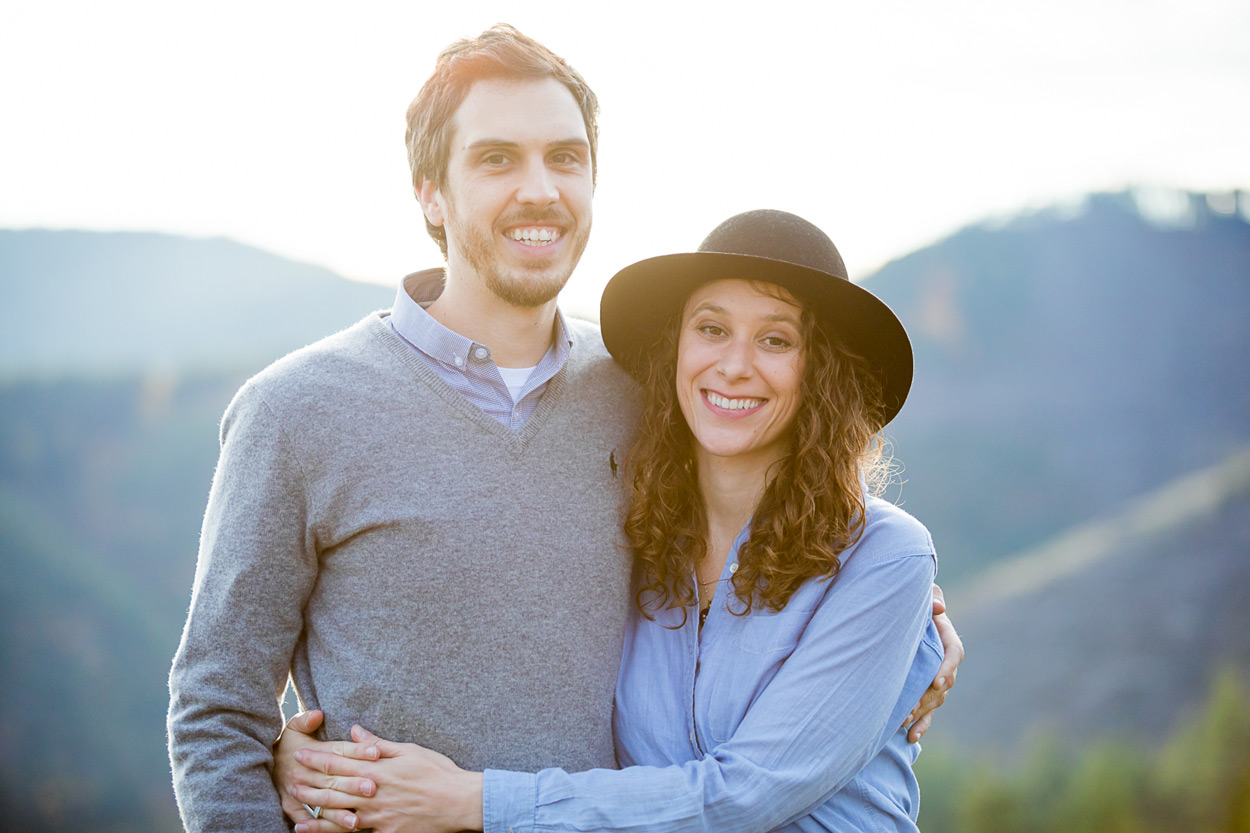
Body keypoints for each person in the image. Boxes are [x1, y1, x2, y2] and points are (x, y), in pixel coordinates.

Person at [166, 23, 962, 833]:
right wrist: (277, 764)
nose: (540, 189)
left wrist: (920, 631)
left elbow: (804, 529)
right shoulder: (296, 410)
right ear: (428, 191)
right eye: (496, 158)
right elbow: (215, 707)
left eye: (566, 157)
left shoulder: (635, 399)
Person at [273, 210, 946, 833]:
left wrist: (468, 799)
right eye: (711, 328)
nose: (734, 364)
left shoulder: (884, 556)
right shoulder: (640, 539)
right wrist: (308, 759)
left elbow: (742, 796)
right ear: (676, 351)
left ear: (819, 372)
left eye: (776, 338)